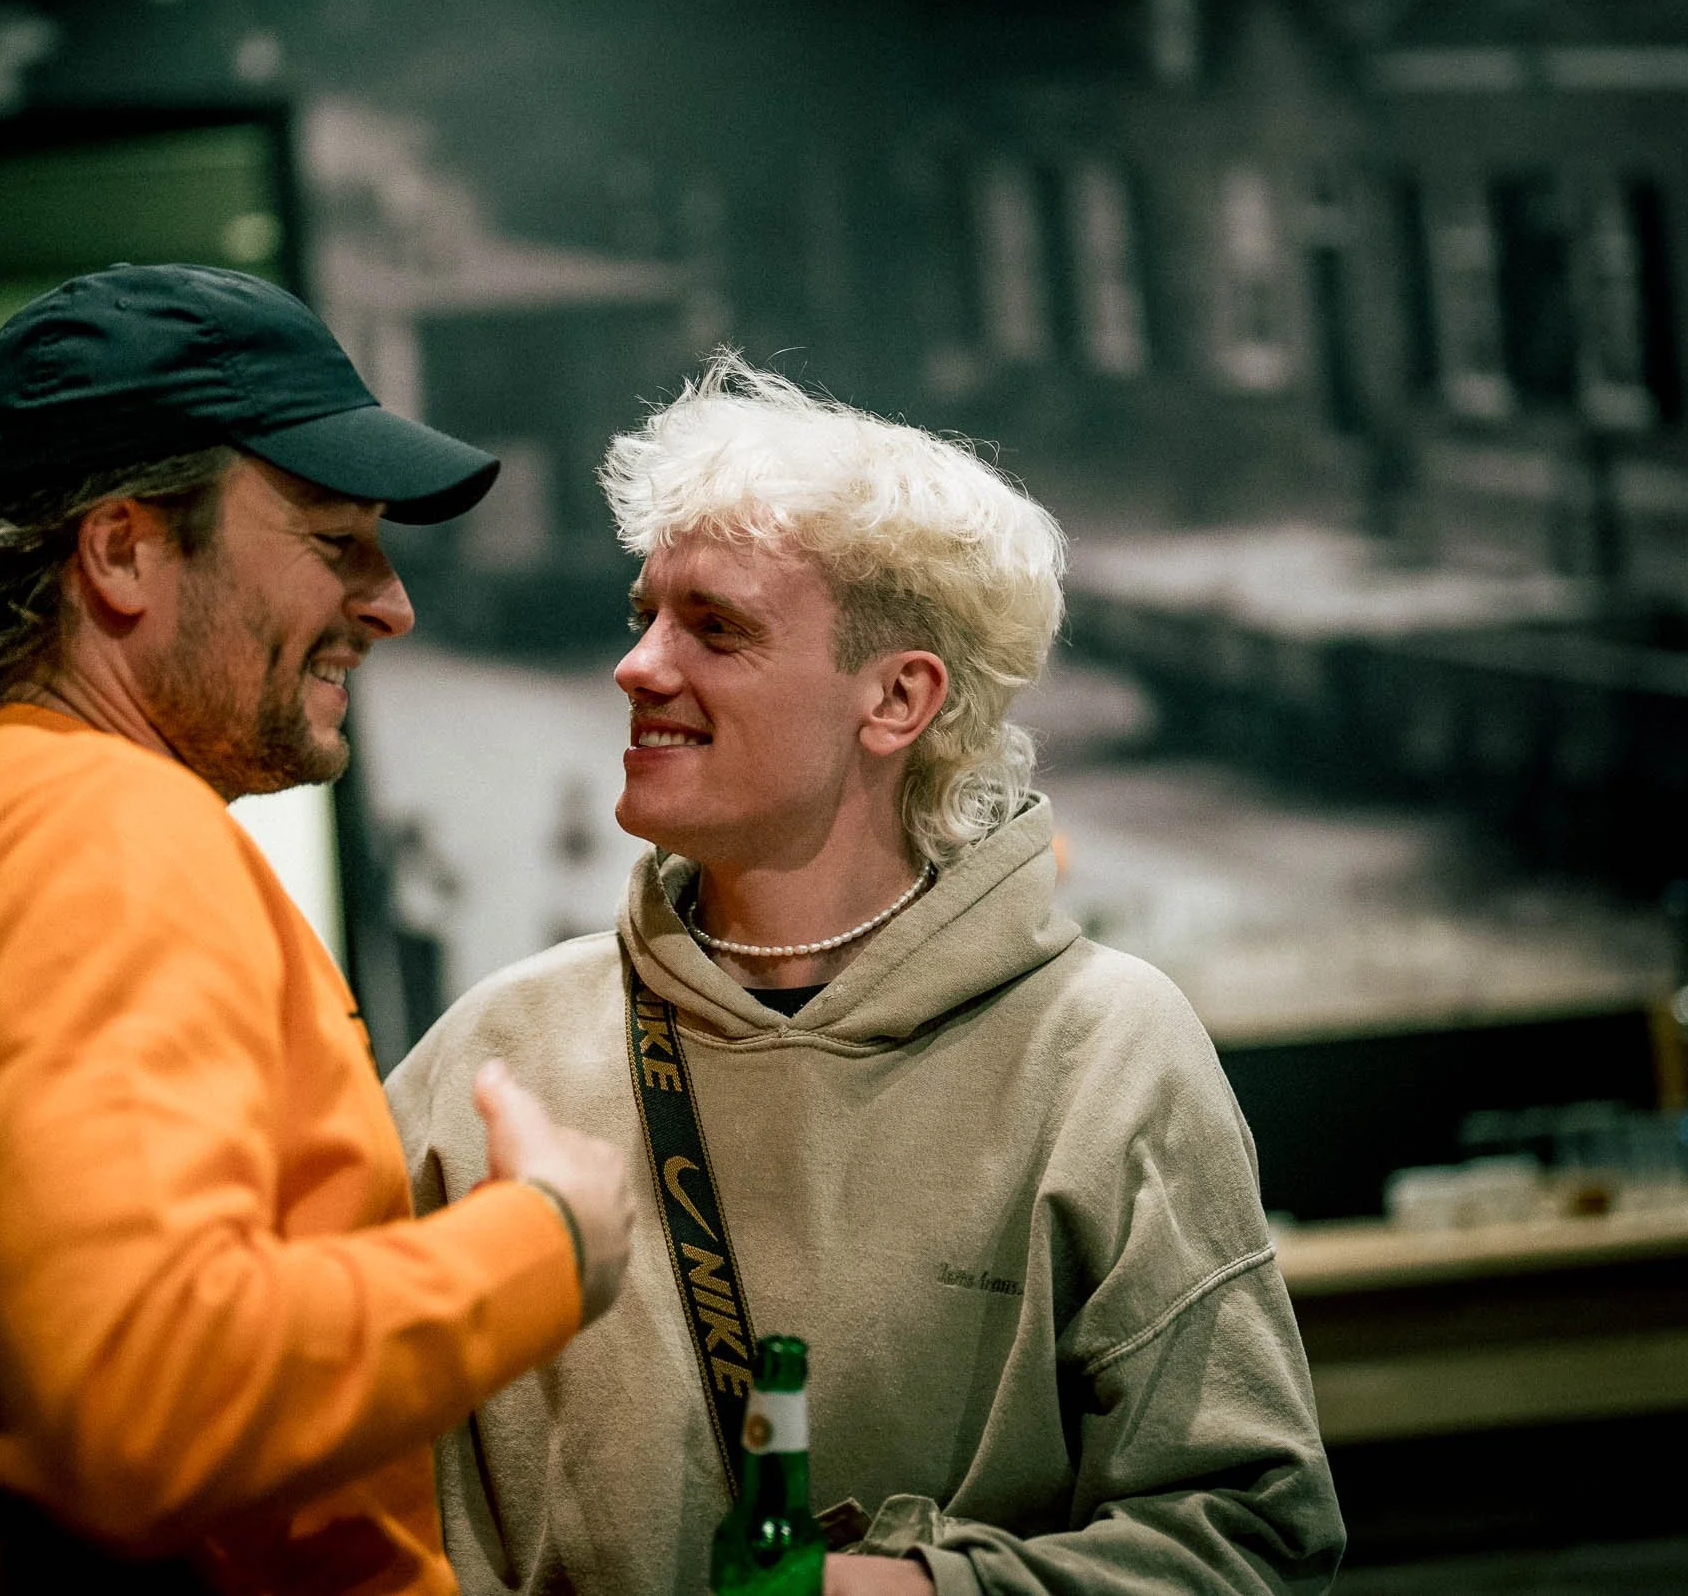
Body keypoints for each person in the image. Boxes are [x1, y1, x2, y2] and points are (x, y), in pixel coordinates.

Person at [386, 354, 1346, 1596]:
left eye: (714, 626)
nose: (636, 665)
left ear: (896, 697)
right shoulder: (494, 1059)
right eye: (646, 614)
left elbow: (1256, 1536)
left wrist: (921, 1592)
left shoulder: (1104, 1053)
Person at [0, 262, 636, 1596]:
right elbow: (141, 1398)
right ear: (122, 548)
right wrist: (547, 1241)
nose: (390, 601)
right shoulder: (98, 834)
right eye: (332, 539)